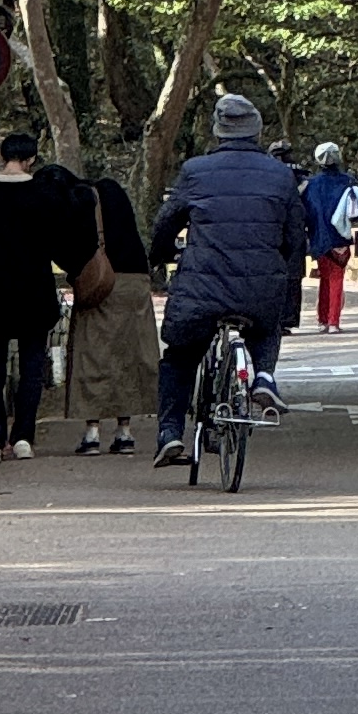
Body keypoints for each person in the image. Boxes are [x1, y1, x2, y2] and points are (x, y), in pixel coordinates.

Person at [149, 93, 307, 463]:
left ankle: (170, 433)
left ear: (218, 130)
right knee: (265, 327)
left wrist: (157, 257)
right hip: (259, 288)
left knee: (180, 357)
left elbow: (166, 222)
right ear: (255, 131)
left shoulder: (195, 171)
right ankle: (264, 376)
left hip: (201, 288)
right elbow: (295, 237)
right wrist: (286, 283)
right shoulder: (280, 175)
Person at [0, 124, 88, 463]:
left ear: (3, 157)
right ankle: (24, 436)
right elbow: (61, 244)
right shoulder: (43, 196)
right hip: (33, 294)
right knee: (31, 369)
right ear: (30, 159)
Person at [65, 157, 157, 453]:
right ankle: (125, 431)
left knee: (93, 353)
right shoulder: (116, 195)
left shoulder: (81, 200)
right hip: (136, 280)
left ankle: (92, 432)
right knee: (129, 355)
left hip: (103, 283)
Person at [302, 142, 358, 332]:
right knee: (337, 277)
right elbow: (355, 212)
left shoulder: (311, 185)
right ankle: (333, 321)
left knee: (324, 276)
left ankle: (323, 318)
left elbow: (306, 212)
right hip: (340, 234)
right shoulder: (348, 181)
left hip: (319, 235)